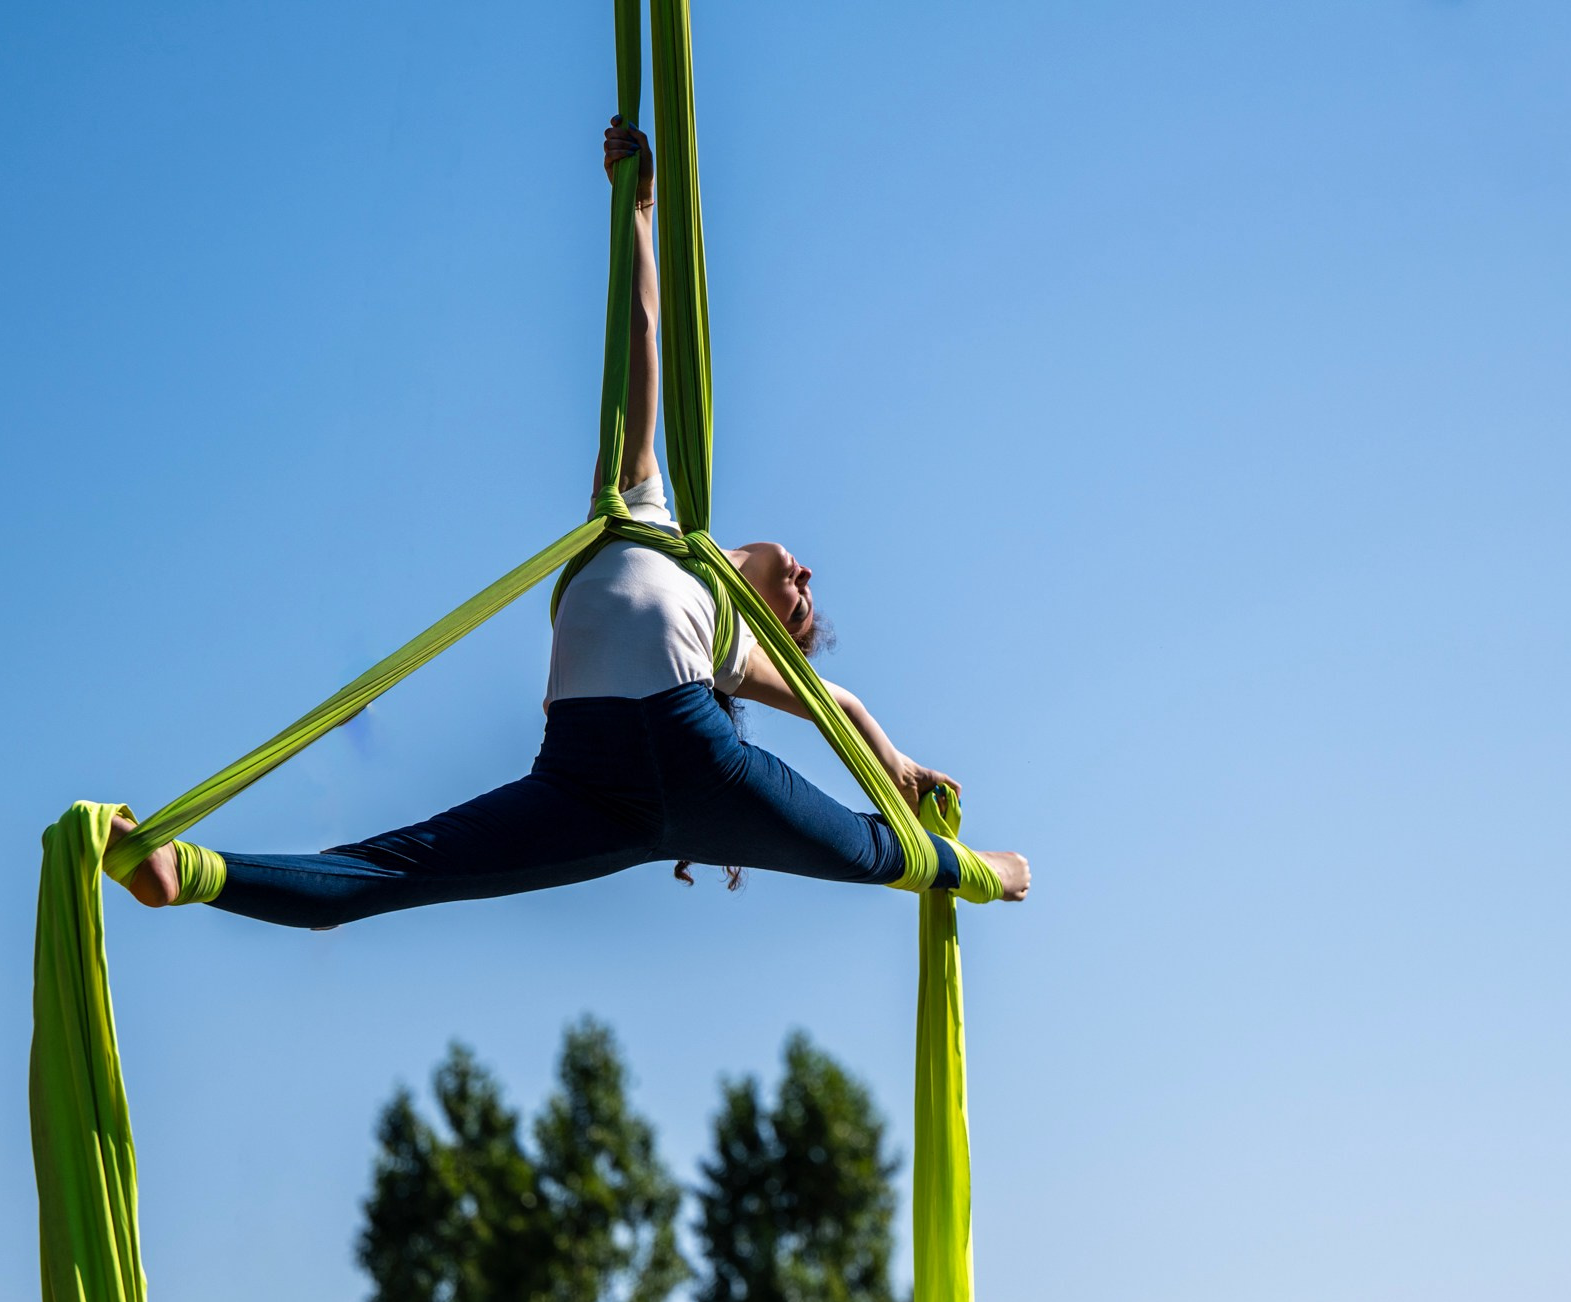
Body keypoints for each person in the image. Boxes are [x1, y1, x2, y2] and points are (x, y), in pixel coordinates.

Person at [113, 118, 1030, 925]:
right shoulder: (646, 512)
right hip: (588, 781)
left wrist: (894, 767)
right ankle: (182, 872)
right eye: (799, 584)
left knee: (876, 853)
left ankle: (983, 875)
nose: (806, 581)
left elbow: (837, 702)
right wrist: (635, 209)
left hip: (691, 757)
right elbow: (635, 358)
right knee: (400, 871)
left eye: (796, 609)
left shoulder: (712, 618)